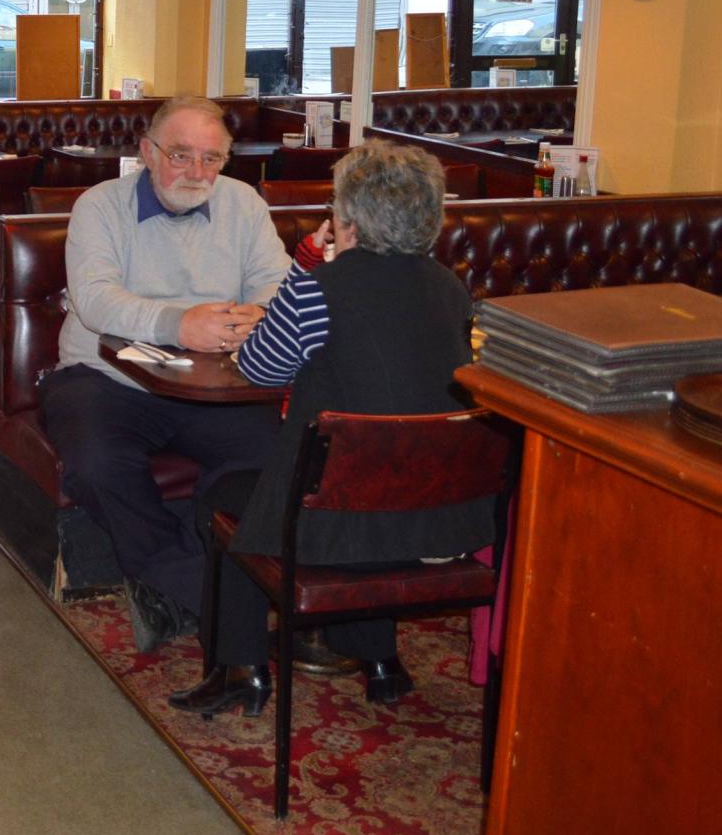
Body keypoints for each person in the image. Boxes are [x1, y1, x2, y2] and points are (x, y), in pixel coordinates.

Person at [168, 141, 491, 717]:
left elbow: (259, 367)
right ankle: (380, 659)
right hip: (439, 519)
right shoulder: (450, 287)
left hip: (338, 524)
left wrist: (305, 276)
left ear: (349, 219)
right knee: (372, 468)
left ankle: (239, 669)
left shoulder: (318, 290)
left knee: (223, 497)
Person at [39, 96, 290, 651]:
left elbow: (276, 280)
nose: (196, 171)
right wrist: (180, 324)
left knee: (274, 455)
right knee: (97, 466)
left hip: (214, 382)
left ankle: (176, 588)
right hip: (107, 376)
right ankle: (206, 593)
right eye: (180, 155)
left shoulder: (244, 204)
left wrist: (258, 312)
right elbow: (96, 300)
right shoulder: (100, 206)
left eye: (211, 158)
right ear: (148, 152)